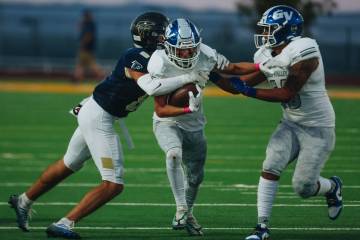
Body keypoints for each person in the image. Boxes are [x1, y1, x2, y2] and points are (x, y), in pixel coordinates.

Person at [8, 12, 207, 239]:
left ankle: (23, 201)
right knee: (113, 183)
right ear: (150, 36)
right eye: (162, 33)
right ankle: (64, 224)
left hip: (98, 110)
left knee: (69, 163)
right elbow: (151, 87)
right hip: (99, 116)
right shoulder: (137, 56)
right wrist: (187, 77)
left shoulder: (159, 58)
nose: (166, 37)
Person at [210, 5, 343, 240]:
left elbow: (286, 94)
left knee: (303, 187)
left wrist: (249, 92)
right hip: (291, 123)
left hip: (318, 128)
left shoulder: (306, 50)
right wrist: (209, 72)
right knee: (270, 165)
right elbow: (236, 85)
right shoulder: (267, 54)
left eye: (270, 28)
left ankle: (332, 187)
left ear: (287, 30)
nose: (264, 33)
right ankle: (261, 227)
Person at [137, 18, 263, 236]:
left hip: (195, 126)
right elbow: (161, 110)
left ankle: (189, 212)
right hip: (168, 122)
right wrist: (187, 109)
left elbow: (232, 70)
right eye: (181, 50)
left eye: (190, 49)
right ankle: (181, 209)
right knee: (174, 155)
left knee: (196, 177)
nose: (187, 54)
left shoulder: (205, 54)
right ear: (168, 46)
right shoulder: (159, 62)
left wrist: (264, 67)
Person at [73, 9, 104, 83]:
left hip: (86, 48)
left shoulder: (89, 24)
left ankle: (102, 76)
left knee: (90, 64)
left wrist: (83, 44)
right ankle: (77, 78)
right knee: (81, 64)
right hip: (88, 48)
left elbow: (88, 36)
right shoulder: (88, 24)